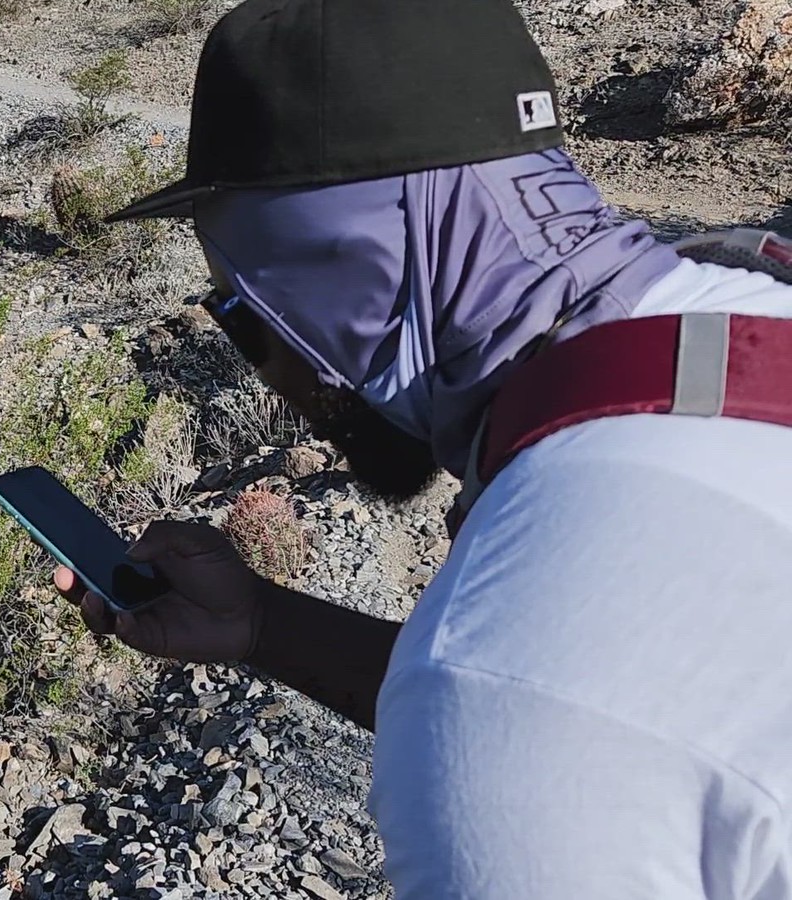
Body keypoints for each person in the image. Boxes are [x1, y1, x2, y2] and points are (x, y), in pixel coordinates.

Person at [51, 0, 792, 896]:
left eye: (242, 316)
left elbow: (542, 710)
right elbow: (662, 705)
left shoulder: (505, 697)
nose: (260, 373)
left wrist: (461, 695)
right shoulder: (747, 317)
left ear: (343, 284)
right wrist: (264, 627)